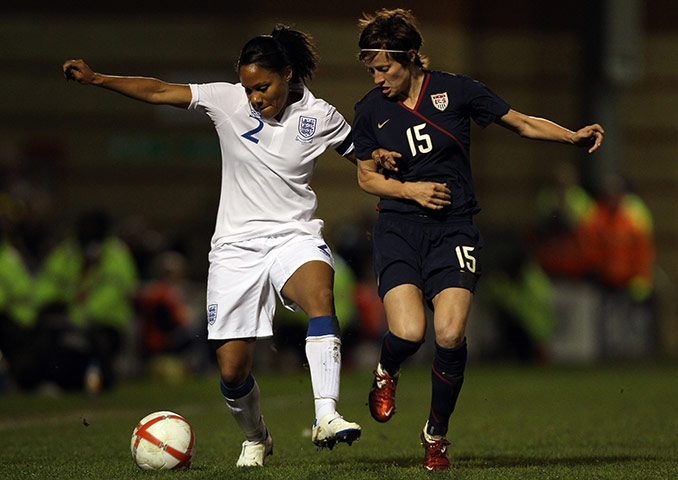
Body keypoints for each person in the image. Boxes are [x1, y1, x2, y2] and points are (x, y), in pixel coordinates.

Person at [62, 24, 360, 467]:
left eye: (263, 87)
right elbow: (161, 91)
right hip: (235, 249)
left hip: (293, 237)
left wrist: (409, 178)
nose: (255, 97)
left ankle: (326, 415)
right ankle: (256, 437)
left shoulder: (322, 116)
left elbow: (368, 157)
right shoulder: (227, 100)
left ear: (288, 74)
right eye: (248, 88)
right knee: (232, 370)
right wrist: (98, 79)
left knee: (321, 297)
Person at [352, 9, 604, 471]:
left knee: (449, 333)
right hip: (399, 228)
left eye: (383, 67)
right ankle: (386, 370)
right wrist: (409, 188)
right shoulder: (370, 110)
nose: (377, 77)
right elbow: (367, 179)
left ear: (410, 58)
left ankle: (436, 436)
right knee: (409, 333)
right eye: (370, 68)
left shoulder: (457, 90)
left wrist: (571, 136)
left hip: (454, 228)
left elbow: (522, 122)